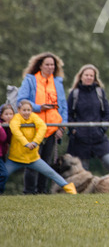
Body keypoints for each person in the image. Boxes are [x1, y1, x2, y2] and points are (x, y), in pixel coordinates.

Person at [16, 52, 67, 194]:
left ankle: (43, 192)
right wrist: (39, 107)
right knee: (32, 163)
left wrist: (62, 127)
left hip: (52, 129)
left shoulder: (57, 82)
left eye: (52, 65)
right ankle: (29, 192)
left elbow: (63, 107)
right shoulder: (30, 80)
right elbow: (21, 100)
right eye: (47, 64)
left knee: (46, 163)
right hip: (33, 128)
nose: (50, 67)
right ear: (40, 65)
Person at [0, 100, 76, 194]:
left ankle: (70, 189)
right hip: (16, 159)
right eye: (24, 110)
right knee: (3, 174)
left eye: (28, 110)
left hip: (33, 158)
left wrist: (35, 142)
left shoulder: (34, 117)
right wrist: (26, 144)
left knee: (50, 173)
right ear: (19, 110)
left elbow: (42, 127)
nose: (26, 112)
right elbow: (16, 131)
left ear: (31, 110)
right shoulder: (16, 119)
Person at [66, 64, 109, 176]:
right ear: (81, 77)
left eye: (91, 75)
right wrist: (74, 130)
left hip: (99, 138)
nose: (89, 77)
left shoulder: (100, 92)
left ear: (95, 77)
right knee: (83, 171)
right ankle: (84, 192)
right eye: (86, 75)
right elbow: (69, 114)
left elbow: (107, 113)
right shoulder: (74, 94)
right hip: (80, 139)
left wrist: (102, 129)